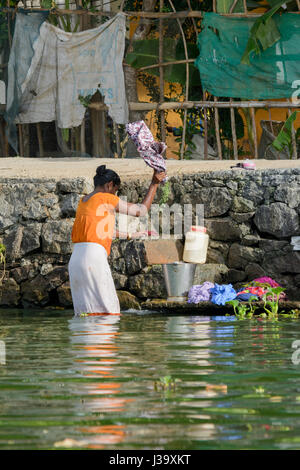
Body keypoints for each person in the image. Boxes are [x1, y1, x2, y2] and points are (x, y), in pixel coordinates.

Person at [69, 164, 166, 316]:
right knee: (109, 312)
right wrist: (154, 183)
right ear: (109, 185)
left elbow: (102, 231)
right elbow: (141, 211)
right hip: (94, 259)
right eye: (116, 191)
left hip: (75, 260)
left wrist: (131, 235)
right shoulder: (107, 198)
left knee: (85, 313)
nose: (115, 195)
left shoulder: (84, 201)